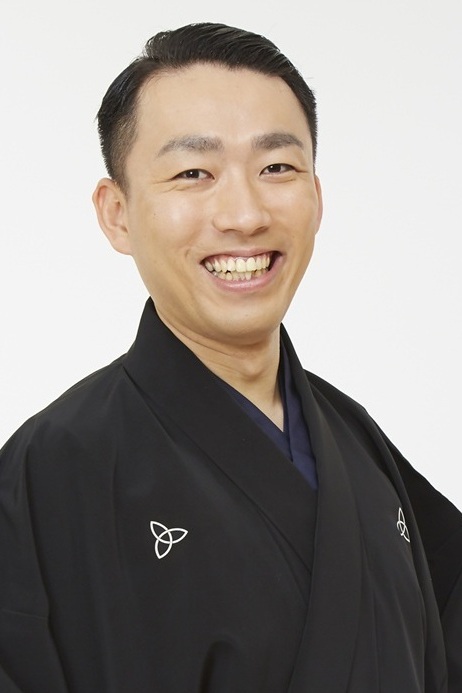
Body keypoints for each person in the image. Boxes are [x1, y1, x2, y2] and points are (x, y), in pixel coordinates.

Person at [0, 22, 460, 693]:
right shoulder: (49, 469)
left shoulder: (355, 440)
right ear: (117, 213)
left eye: (277, 168)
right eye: (194, 173)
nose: (244, 214)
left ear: (317, 197)